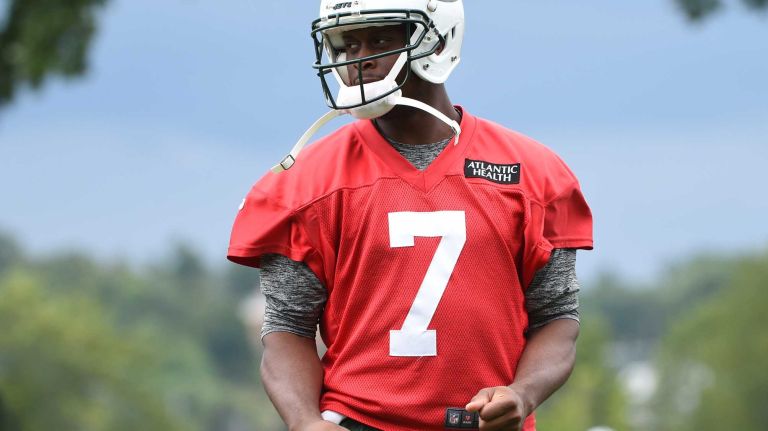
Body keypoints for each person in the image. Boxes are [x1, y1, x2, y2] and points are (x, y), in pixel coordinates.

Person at [227, 1, 593, 430]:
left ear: (436, 40)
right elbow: (287, 326)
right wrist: (305, 420)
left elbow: (557, 317)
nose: (357, 60)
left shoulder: (531, 173)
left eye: (379, 39)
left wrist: (522, 393)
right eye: (347, 45)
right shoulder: (307, 182)